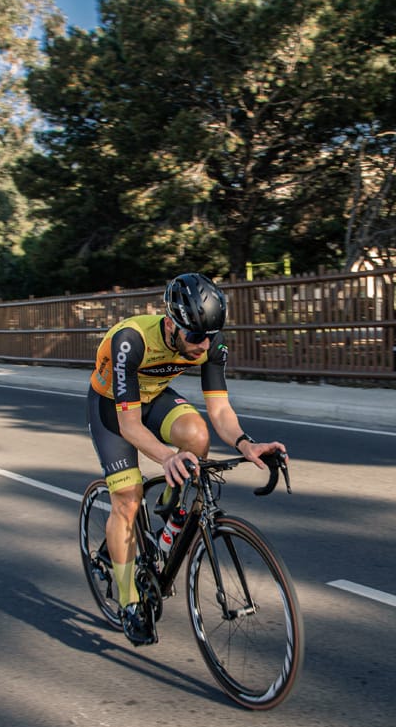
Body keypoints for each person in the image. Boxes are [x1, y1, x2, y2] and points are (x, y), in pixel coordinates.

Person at [87, 273, 287, 645]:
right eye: (195, 337)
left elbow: (220, 409)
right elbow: (130, 425)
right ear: (170, 324)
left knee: (197, 437)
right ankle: (130, 602)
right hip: (113, 408)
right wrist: (166, 458)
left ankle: (168, 515)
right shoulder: (131, 340)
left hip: (154, 396)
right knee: (128, 499)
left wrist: (246, 444)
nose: (203, 346)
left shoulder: (209, 340)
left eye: (210, 336)